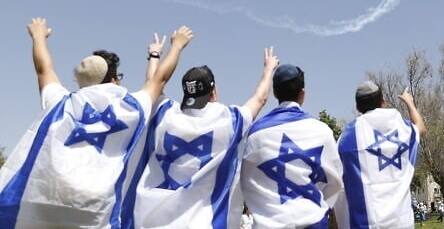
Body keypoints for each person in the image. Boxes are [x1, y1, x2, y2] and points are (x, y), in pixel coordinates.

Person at [0, 18, 193, 229]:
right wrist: (176, 45)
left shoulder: (60, 103)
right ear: (113, 79)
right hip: (96, 207)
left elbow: (43, 69)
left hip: (47, 199)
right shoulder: (130, 108)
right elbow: (160, 79)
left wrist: (38, 37)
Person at [127, 47, 279, 228]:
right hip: (205, 222)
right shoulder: (229, 120)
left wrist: (154, 56)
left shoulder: (164, 114)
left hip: (154, 219)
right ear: (213, 92)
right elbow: (260, 99)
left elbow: (153, 84)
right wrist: (269, 69)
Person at [241, 64, 343, 228]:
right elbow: (335, 181)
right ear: (302, 93)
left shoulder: (256, 133)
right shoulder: (321, 130)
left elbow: (247, 182)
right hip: (313, 222)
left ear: (275, 93)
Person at [334, 82, 426, 229]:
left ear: (358, 108)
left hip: (366, 223)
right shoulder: (402, 129)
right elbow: (420, 127)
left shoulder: (348, 137)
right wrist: (409, 102)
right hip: (401, 222)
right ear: (383, 102)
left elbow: (337, 183)